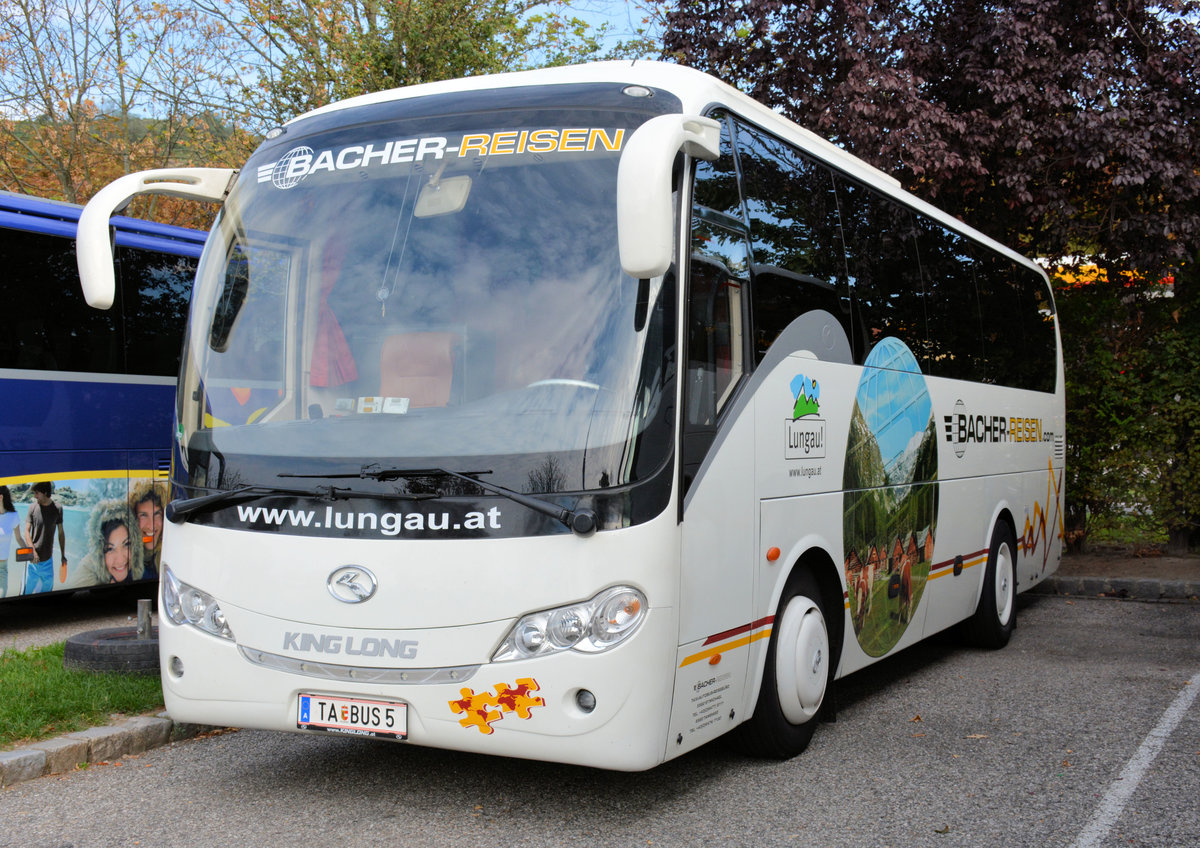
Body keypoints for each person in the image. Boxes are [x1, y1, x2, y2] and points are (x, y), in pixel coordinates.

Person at [75, 499, 144, 586]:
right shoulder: (84, 580)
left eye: (127, 544)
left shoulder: (141, 575)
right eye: (110, 549)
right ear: (99, 552)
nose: (120, 560)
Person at [22, 481, 66, 594]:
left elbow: (61, 533)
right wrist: (32, 551)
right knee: (26, 594)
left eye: (37, 493)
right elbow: (26, 531)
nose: (35, 496)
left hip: (48, 562)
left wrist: (63, 555)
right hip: (32, 562)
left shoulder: (58, 509)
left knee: (46, 595)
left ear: (45, 493)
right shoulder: (32, 507)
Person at [130, 480, 165, 580]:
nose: (151, 526)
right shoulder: (122, 548)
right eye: (143, 515)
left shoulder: (169, 549)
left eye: (157, 514)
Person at [0, 485, 29, 598]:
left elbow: (19, 538)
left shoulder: (13, 516)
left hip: (2, 566)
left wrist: (29, 553)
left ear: (1, 497)